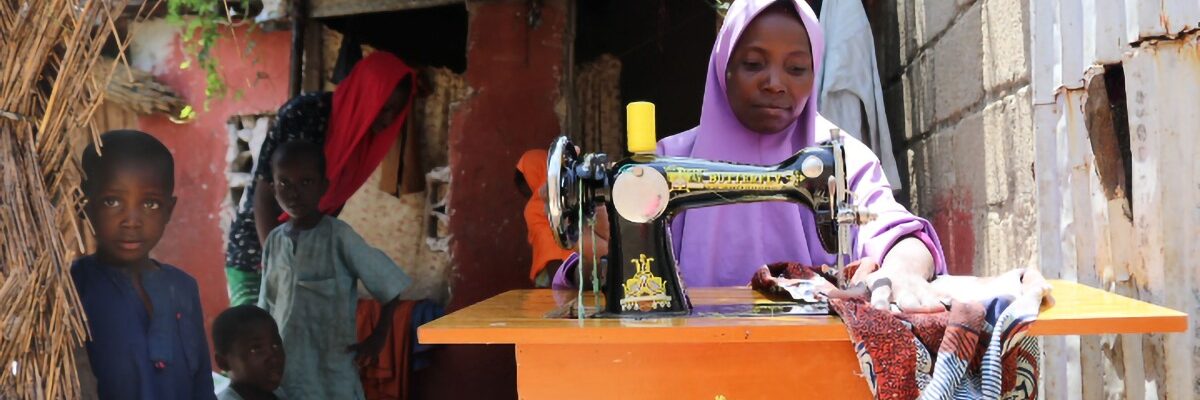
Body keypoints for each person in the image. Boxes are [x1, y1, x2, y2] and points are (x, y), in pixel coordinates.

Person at [555, 0, 948, 313]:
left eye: (797, 68)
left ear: (815, 76)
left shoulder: (845, 158)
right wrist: (601, 253)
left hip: (811, 361)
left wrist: (904, 269)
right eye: (753, 64)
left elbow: (899, 232)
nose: (775, 83)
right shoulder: (665, 162)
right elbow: (602, 270)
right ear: (723, 69)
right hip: (684, 359)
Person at [225, 51, 416, 307]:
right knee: (254, 340)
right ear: (367, 93)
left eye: (396, 110)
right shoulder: (308, 113)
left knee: (291, 344)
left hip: (298, 257)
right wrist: (277, 263)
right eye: (384, 107)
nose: (389, 119)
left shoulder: (362, 142)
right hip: (257, 250)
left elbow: (327, 207)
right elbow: (265, 190)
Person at [258, 141, 412, 400]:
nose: (294, 193)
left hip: (331, 368)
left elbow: (389, 284)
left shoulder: (338, 236)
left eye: (306, 182)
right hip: (286, 368)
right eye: (285, 183)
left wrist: (379, 337)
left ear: (323, 187)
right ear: (273, 189)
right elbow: (266, 304)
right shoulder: (274, 241)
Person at [72, 130, 215, 399]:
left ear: (169, 210)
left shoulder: (183, 288)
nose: (132, 220)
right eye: (112, 201)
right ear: (83, 205)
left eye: (150, 204)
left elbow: (202, 386)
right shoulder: (73, 289)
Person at [515, 149, 609, 287]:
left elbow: (550, 251)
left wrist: (560, 289)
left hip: (563, 276)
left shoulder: (535, 208)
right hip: (591, 269)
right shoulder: (576, 192)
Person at [211, 305, 285, 400]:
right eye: (256, 349)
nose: (274, 357)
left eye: (276, 345)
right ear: (223, 362)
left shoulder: (278, 393)